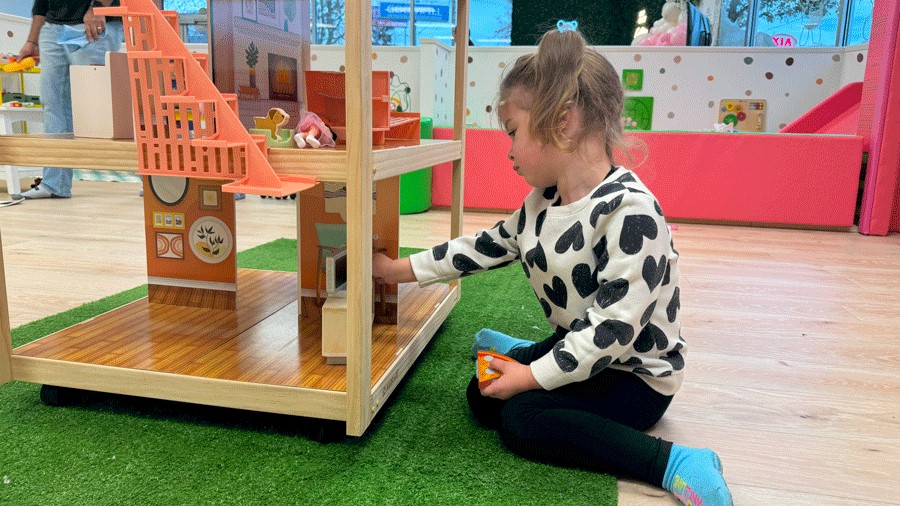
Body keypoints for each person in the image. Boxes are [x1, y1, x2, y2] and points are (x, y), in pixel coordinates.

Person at [372, 26, 733, 506]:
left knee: (524, 420)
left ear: (562, 123)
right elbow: (480, 247)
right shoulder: (541, 204)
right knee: (481, 397)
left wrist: (529, 375)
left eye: (513, 132)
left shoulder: (631, 213)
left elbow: (612, 332)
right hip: (577, 345)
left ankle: (672, 462)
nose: (509, 150)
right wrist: (395, 270)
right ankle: (530, 350)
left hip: (635, 375)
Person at [12, 0, 124, 200]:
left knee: (106, 102)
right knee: (52, 103)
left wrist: (98, 6)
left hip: (91, 23)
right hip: (52, 27)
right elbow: (41, 3)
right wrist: (32, 40)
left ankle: (148, 175)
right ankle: (54, 183)